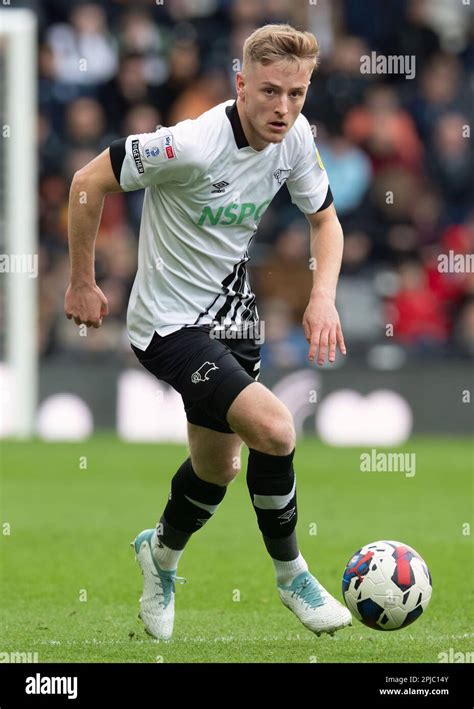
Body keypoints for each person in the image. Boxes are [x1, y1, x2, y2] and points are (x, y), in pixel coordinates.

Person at [64, 23, 351, 640]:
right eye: (270, 91)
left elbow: (326, 222)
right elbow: (87, 183)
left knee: (217, 470)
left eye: (297, 93)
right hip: (167, 326)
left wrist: (322, 298)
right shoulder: (189, 144)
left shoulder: (297, 137)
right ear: (240, 84)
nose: (283, 108)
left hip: (235, 323)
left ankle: (160, 556)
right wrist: (83, 282)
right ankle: (292, 575)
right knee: (276, 429)